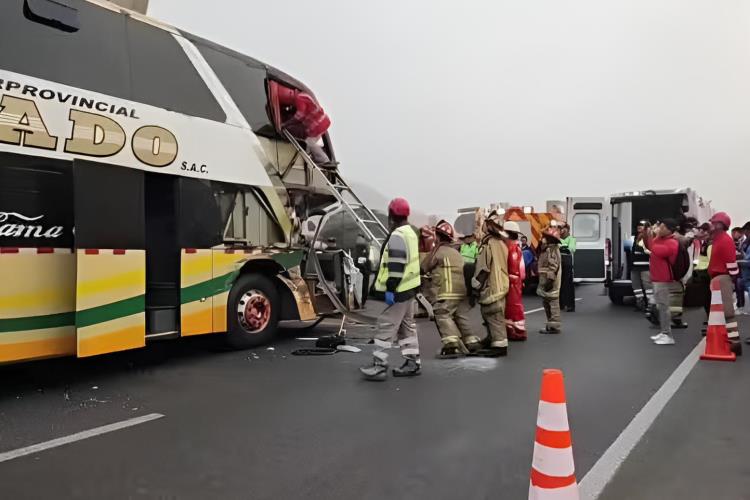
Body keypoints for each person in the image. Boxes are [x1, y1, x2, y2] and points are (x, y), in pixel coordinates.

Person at [360, 198, 422, 380]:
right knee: (407, 328)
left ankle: (379, 366)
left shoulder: (397, 235)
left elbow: (396, 264)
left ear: (391, 215)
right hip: (409, 289)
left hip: (398, 291)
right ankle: (412, 362)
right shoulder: (411, 232)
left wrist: (390, 289)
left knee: (386, 327)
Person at [423, 220, 479, 357]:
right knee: (460, 315)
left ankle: (452, 345)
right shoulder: (456, 252)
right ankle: (471, 341)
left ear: (438, 236)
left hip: (446, 291)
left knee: (442, 313)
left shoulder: (438, 251)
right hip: (462, 291)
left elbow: (424, 266)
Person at [471, 211, 510, 356]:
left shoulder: (488, 244)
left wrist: (476, 286)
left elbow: (483, 268)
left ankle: (499, 345)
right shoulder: (501, 243)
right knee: (493, 315)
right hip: (501, 285)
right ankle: (492, 338)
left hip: (492, 286)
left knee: (493, 315)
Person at [708, 212, 742, 354]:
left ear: (720, 225)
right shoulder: (719, 239)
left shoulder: (724, 240)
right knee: (721, 313)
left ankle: (734, 341)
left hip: (722, 277)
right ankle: (729, 340)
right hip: (719, 278)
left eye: (713, 222)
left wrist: (732, 279)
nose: (711, 225)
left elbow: (731, 262)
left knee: (727, 312)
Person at [644, 219, 681, 345]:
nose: (659, 229)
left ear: (669, 230)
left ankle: (668, 335)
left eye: (663, 227)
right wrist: (652, 235)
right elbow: (651, 245)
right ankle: (663, 331)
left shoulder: (672, 242)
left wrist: (652, 235)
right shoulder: (660, 240)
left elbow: (655, 249)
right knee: (660, 306)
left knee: (664, 307)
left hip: (663, 279)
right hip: (656, 278)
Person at [277, 87, 333, 165]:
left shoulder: (299, 97)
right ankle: (314, 159)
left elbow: (300, 115)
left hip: (318, 124)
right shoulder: (305, 95)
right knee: (309, 143)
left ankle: (324, 160)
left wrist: (285, 124)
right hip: (323, 122)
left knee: (309, 141)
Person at [503, 221, 527, 341]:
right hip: (516, 282)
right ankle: (515, 329)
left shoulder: (511, 248)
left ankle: (516, 331)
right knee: (514, 306)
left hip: (511, 281)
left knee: (512, 306)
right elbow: (522, 271)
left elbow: (511, 267)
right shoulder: (517, 248)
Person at [537, 229, 563, 334]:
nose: (542, 238)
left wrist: (549, 281)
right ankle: (550, 324)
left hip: (550, 282)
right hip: (546, 281)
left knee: (553, 303)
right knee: (547, 302)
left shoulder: (552, 250)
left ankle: (554, 326)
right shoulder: (548, 249)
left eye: (545, 237)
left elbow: (553, 267)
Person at [631, 221, 652, 311]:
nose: (639, 226)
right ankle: (640, 302)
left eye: (642, 225)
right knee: (636, 286)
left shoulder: (649, 237)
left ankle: (651, 305)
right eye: (638, 225)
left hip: (645, 266)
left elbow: (649, 250)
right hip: (635, 266)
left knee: (648, 286)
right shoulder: (635, 237)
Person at [559, 223, 577, 312]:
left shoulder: (571, 239)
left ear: (567, 230)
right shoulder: (558, 239)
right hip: (558, 262)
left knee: (568, 284)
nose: (562, 230)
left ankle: (570, 305)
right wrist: (564, 247)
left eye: (564, 228)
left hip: (567, 262)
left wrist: (561, 248)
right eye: (561, 228)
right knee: (559, 284)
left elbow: (571, 249)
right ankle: (561, 304)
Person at [739, 222, 750, 319]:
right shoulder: (746, 242)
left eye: (746, 231)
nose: (745, 233)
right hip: (745, 273)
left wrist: (737, 262)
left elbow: (748, 261)